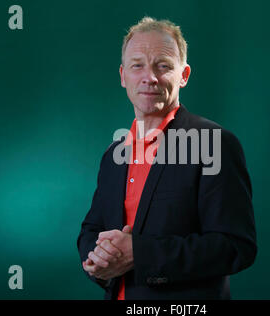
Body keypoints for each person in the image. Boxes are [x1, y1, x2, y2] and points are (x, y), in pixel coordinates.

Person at [77, 17, 257, 300]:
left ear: (183, 75)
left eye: (163, 65)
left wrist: (140, 253)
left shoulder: (215, 143)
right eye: (138, 65)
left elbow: (234, 247)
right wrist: (96, 259)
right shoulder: (114, 155)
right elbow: (91, 229)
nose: (150, 77)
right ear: (123, 76)